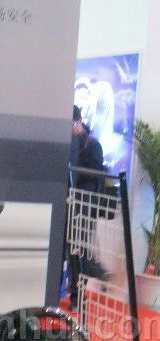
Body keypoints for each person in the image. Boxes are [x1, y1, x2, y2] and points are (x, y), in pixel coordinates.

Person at [68, 105, 106, 311]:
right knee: (75, 250)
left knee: (80, 250)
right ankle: (81, 290)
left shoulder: (92, 144)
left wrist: (76, 169)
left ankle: (82, 292)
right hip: (71, 202)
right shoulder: (72, 143)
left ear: (79, 122)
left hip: (84, 205)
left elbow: (97, 173)